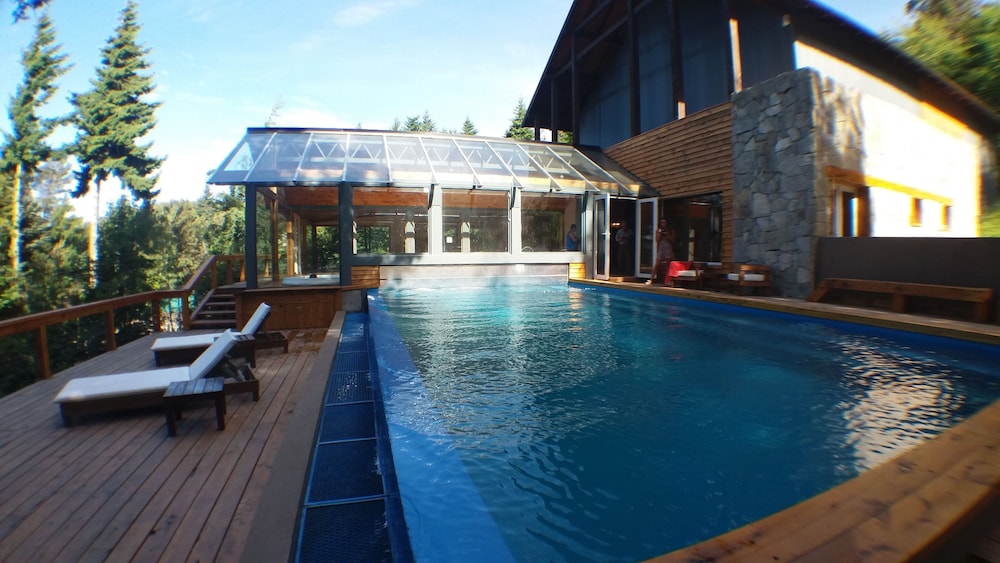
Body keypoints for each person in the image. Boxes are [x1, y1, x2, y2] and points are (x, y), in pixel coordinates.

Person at [646, 218, 674, 285]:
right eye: (662, 222)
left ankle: (668, 280)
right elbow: (657, 240)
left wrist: (668, 234)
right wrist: (659, 233)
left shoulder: (670, 230)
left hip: (668, 248)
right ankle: (651, 279)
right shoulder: (658, 230)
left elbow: (672, 240)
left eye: (665, 222)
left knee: (668, 265)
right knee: (657, 264)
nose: (663, 224)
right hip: (661, 248)